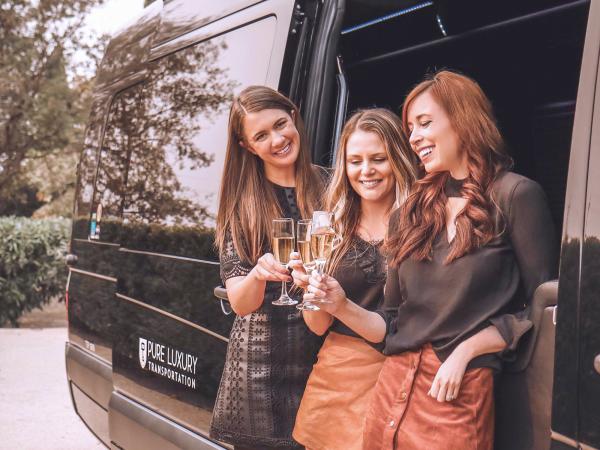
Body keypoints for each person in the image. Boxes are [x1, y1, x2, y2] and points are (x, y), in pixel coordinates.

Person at [303, 70, 557, 449]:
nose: (414, 137)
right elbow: (391, 322)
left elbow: (543, 309)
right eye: (410, 128)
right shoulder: (410, 213)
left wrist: (467, 350)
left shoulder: (516, 194)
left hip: (457, 392)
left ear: (463, 119)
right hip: (392, 388)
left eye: (424, 123)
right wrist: (338, 304)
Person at [289, 108, 418, 450]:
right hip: (339, 378)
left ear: (399, 159)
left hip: (404, 379)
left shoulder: (423, 224)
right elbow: (317, 326)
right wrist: (309, 291)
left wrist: (341, 304)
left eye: (378, 158)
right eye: (355, 161)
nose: (366, 171)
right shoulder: (329, 227)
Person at [210, 85, 327, 450]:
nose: (277, 139)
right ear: (247, 146)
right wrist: (257, 275)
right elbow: (241, 304)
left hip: (325, 358)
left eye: (280, 124)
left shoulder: (333, 184)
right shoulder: (241, 205)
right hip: (260, 372)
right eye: (261, 135)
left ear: (293, 115)